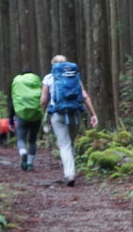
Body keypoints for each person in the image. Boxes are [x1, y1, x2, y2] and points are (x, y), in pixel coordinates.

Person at [40, 54, 98, 186]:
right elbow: (84, 96)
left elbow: (43, 100)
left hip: (57, 114)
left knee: (64, 145)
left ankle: (69, 174)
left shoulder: (48, 78)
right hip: (74, 113)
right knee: (69, 143)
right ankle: (71, 170)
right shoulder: (75, 77)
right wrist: (93, 114)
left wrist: (45, 113)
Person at [9, 69, 43, 171]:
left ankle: (23, 152)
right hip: (36, 115)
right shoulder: (37, 82)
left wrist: (11, 119)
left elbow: (13, 103)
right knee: (32, 140)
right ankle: (30, 164)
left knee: (21, 139)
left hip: (22, 115)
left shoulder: (18, 84)